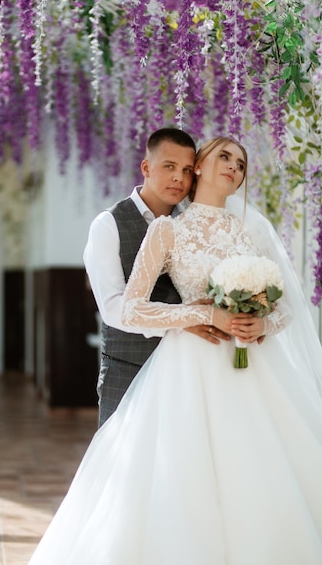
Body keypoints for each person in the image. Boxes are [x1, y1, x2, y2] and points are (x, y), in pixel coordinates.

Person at [29, 137, 322, 564]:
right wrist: (201, 316)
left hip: (254, 369)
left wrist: (261, 322)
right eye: (223, 157)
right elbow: (126, 308)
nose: (233, 166)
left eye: (241, 164)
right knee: (176, 475)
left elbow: (288, 307)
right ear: (198, 167)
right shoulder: (164, 228)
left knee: (258, 469)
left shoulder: (253, 228)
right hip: (184, 368)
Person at [83, 127, 230, 426]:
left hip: (189, 368)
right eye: (169, 167)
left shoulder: (193, 221)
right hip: (128, 370)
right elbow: (113, 309)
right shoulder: (109, 225)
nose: (179, 177)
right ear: (146, 168)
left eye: (187, 169)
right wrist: (185, 319)